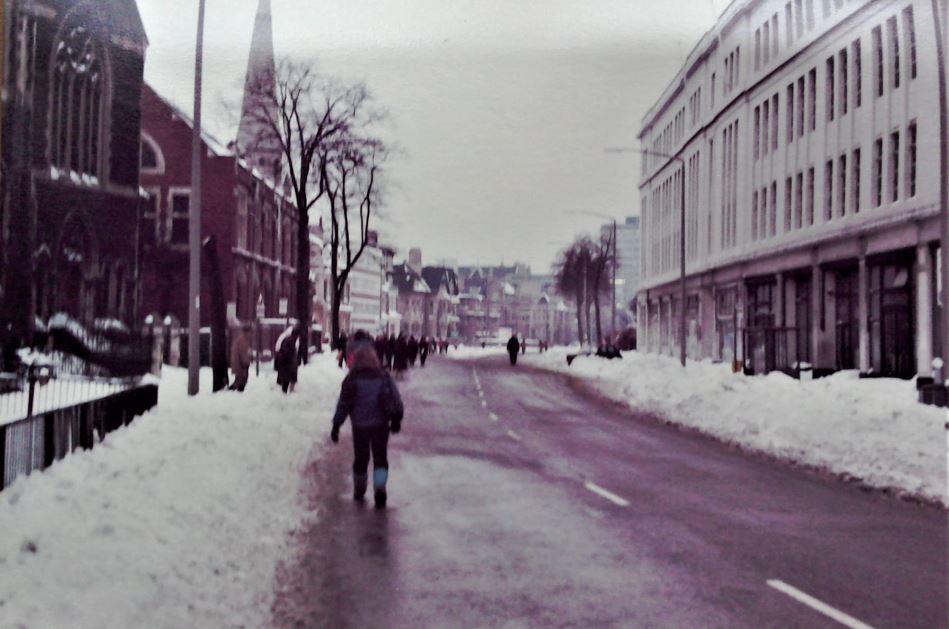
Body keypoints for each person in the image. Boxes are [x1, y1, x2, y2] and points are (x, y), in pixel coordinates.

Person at [331, 344, 404, 509]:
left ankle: (359, 489)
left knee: (361, 459)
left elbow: (343, 404)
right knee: (380, 458)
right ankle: (379, 489)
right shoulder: (384, 377)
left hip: (360, 426)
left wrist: (336, 425)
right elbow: (395, 399)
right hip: (381, 425)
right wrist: (396, 419)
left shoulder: (351, 379)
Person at [275, 325, 301, 393]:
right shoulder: (291, 341)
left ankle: (287, 393)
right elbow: (288, 353)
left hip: (287, 365)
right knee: (287, 380)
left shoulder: (289, 339)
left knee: (287, 380)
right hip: (288, 365)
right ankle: (287, 395)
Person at [228, 324, 251, 392]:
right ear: (246, 332)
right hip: (241, 364)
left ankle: (237, 392)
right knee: (241, 379)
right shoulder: (243, 340)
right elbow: (243, 353)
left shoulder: (242, 339)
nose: (250, 334)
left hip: (240, 363)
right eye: (249, 332)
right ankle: (232, 392)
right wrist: (246, 363)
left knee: (241, 379)